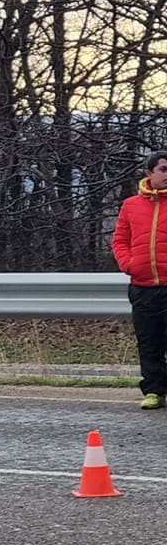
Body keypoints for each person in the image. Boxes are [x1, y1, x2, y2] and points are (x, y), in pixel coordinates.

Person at [113, 151, 167, 409]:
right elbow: (120, 240)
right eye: (164, 169)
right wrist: (129, 264)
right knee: (150, 342)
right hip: (143, 287)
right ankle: (154, 391)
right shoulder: (131, 205)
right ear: (149, 173)